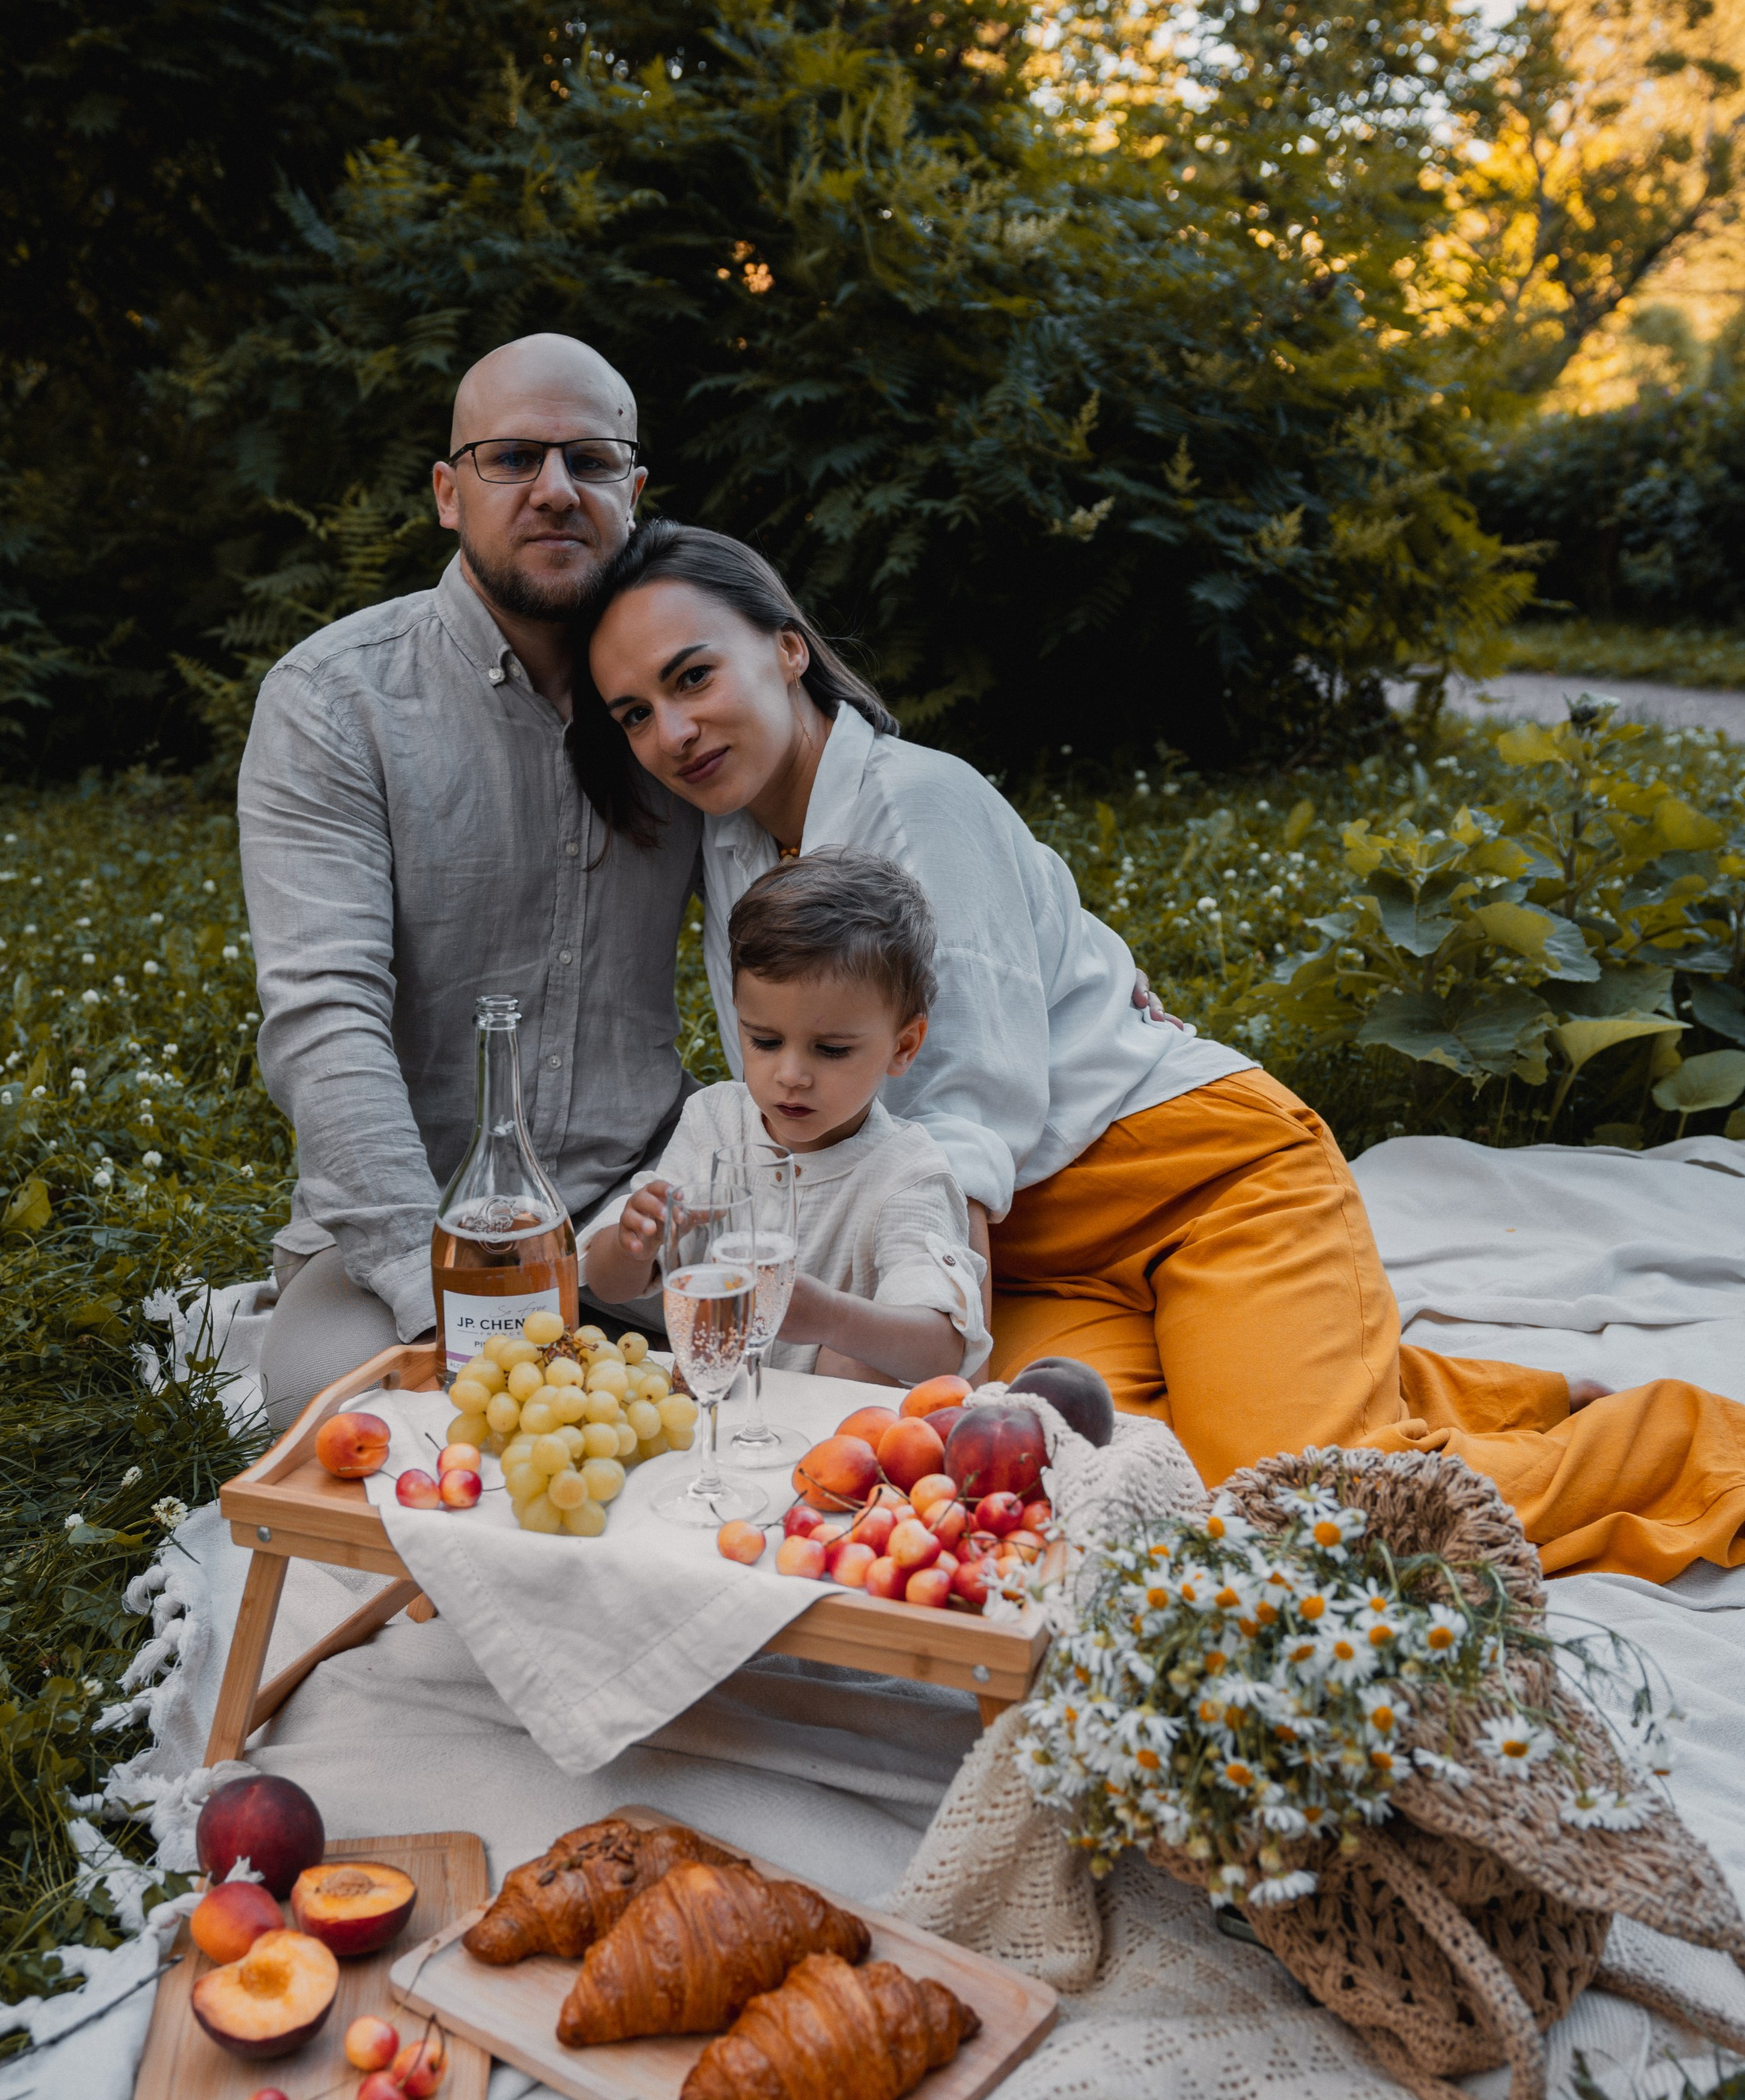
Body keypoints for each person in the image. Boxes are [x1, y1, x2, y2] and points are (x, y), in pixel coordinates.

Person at [571, 517, 1745, 1583]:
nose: (672, 732)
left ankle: (1694, 1446)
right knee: (1108, 1489)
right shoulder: (734, 849)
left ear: (785, 648)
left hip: (1202, 1181)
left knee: (1308, 1515)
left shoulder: (919, 803)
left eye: (692, 677)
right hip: (1041, 1256)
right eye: (634, 712)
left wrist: (866, 1390)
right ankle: (1462, 1389)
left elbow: (965, 1122)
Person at [236, 333, 698, 1430]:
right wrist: (433, 1287)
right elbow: (324, 1016)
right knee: (341, 1413)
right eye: (511, 459)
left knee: (817, 1377)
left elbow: (859, 823)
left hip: (649, 1209)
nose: (554, 490)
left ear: (633, 492)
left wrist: (1084, 962)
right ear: (449, 493)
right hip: (429, 1227)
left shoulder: (687, 699)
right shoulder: (334, 703)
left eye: (590, 461)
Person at [582, 850, 989, 1385]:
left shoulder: (907, 1175)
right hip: (719, 1416)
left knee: (853, 1357)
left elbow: (942, 1353)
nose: (791, 1074)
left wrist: (832, 1318)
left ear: (903, 1045)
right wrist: (635, 1243)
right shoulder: (716, 1122)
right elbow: (608, 1285)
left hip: (836, 1441)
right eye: (766, 1041)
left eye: (832, 1050)